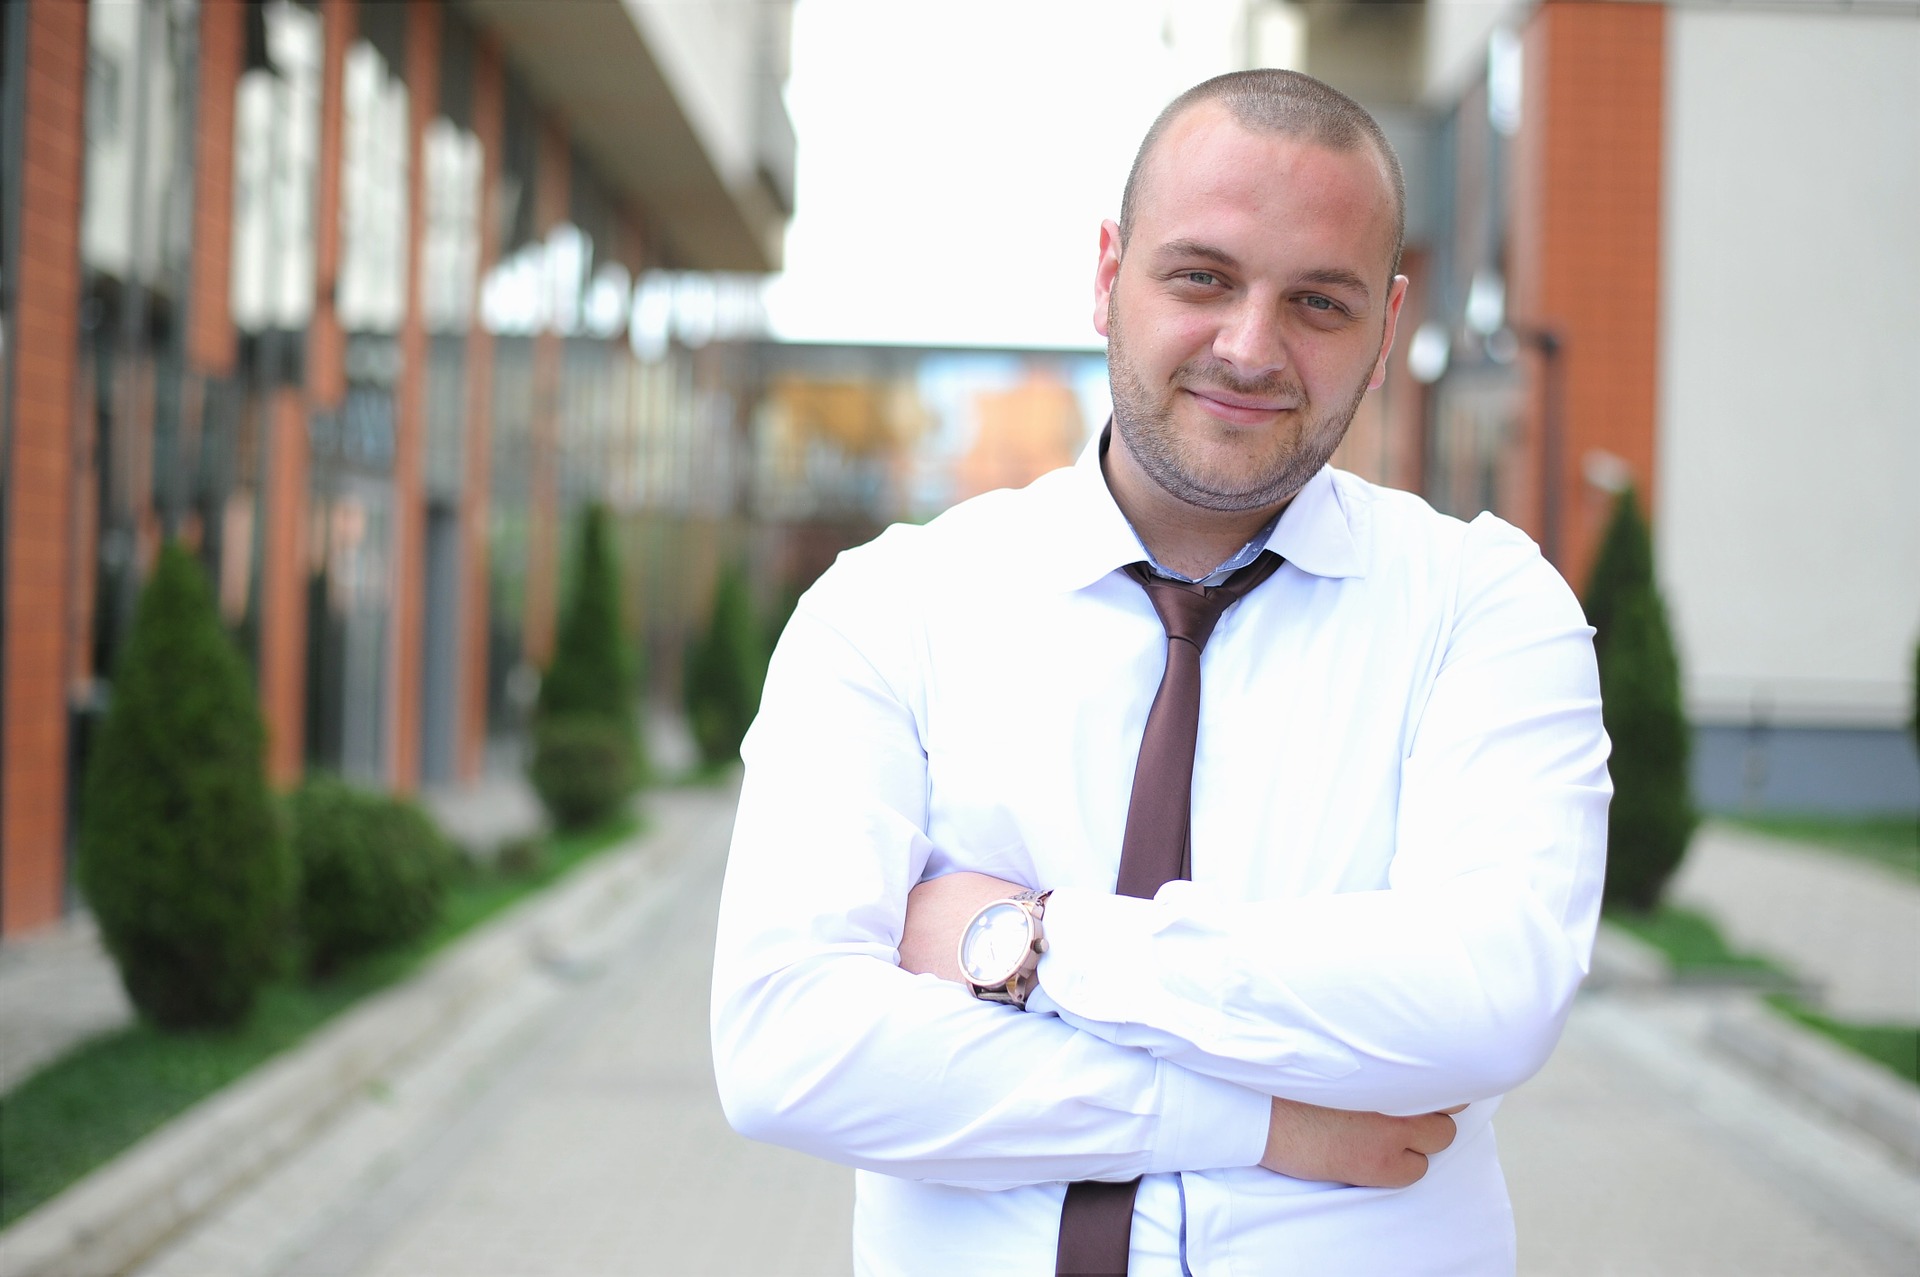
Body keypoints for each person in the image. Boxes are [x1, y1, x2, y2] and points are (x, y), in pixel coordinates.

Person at [711, 68, 1609, 1275]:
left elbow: (1486, 998)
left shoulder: (1483, 613)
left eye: (1320, 304)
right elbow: (787, 1052)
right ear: (1105, 276)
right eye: (1202, 277)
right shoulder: (890, 609)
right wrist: (1264, 1118)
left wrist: (1031, 943)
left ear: (1388, 329)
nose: (1250, 346)